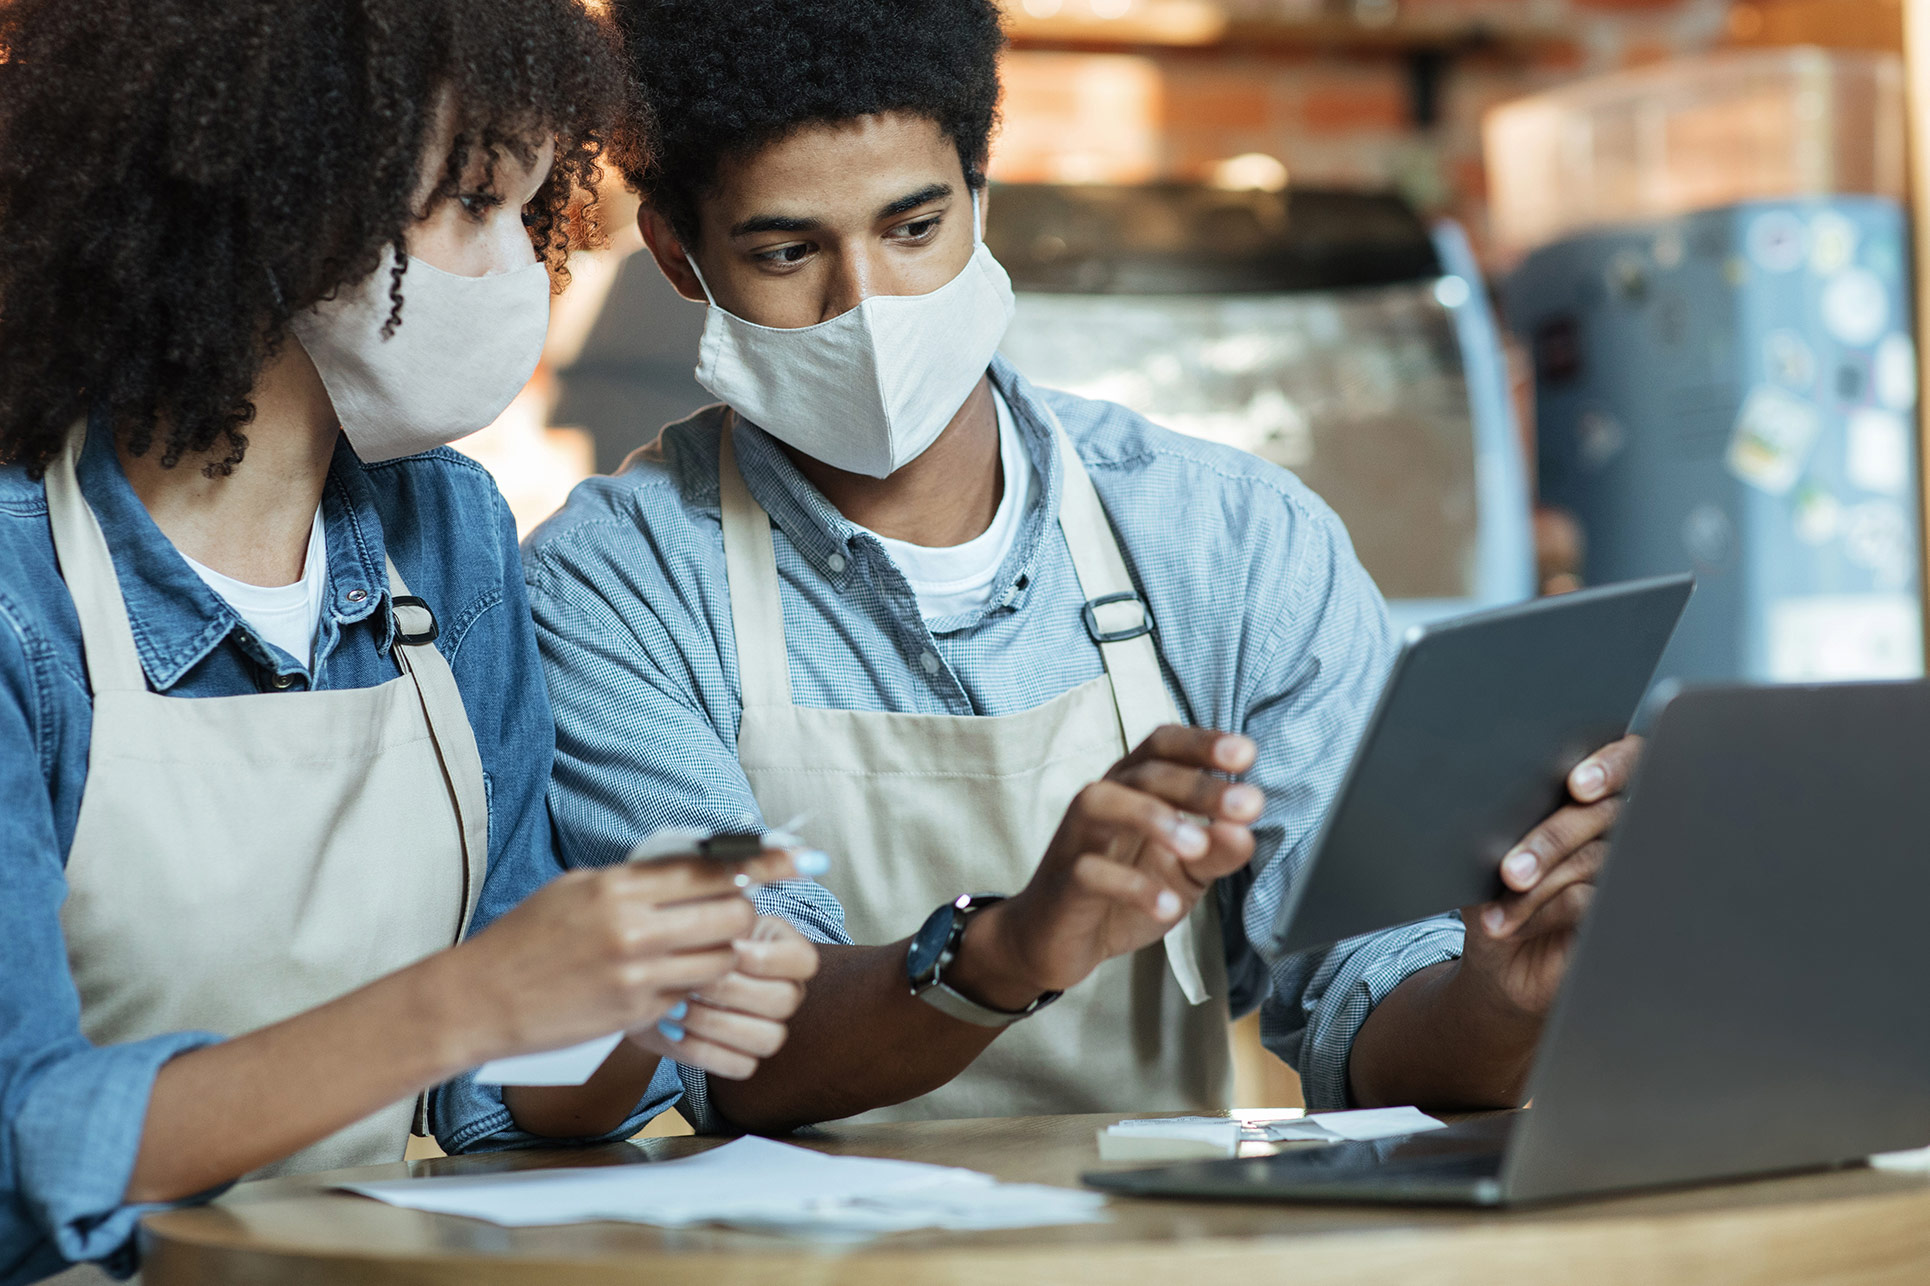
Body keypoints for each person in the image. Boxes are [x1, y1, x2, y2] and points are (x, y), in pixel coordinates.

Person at [522, 0, 1637, 1135]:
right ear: (678, 256)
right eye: (788, 250)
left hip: (1149, 1244)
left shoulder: (1230, 539)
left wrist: (1501, 1000)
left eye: (914, 227)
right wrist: (1000, 950)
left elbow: (1374, 1034)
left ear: (980, 196)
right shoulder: (617, 585)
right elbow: (732, 1042)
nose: (866, 306)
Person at [0, 3, 818, 1281]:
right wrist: (474, 996)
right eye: (474, 201)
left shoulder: (448, 535)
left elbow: (494, 1095)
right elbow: (22, 1147)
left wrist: (648, 1004)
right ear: (273, 180)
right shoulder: (18, 583)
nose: (517, 273)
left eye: (531, 210)